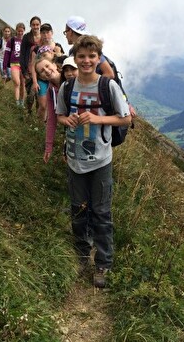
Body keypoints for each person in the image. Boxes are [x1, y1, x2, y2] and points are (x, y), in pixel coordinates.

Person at [56, 35, 131, 288]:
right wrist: (66, 121)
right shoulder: (67, 88)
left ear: (98, 58)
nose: (86, 61)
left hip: (101, 160)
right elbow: (60, 116)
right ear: (75, 59)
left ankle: (102, 263)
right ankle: (81, 254)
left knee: (101, 212)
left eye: (91, 56)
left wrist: (98, 119)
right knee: (78, 209)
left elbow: (125, 119)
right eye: (81, 57)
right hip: (75, 159)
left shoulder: (108, 87)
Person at [30, 23, 56, 121]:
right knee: (43, 105)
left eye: (48, 32)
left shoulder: (57, 47)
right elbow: (33, 66)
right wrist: (35, 82)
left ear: (52, 33)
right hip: (42, 80)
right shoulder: (37, 49)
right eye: (43, 33)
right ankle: (39, 124)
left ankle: (47, 125)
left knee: (53, 106)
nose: (45, 35)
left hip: (54, 80)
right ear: (40, 34)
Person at [21, 16, 42, 114]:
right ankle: (28, 111)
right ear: (30, 25)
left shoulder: (43, 37)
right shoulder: (26, 37)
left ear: (40, 25)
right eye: (33, 25)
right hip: (28, 69)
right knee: (30, 95)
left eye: (37, 24)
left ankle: (39, 116)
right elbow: (22, 54)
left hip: (41, 71)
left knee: (40, 96)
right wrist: (24, 71)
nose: (35, 26)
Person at [3, 22, 26, 107]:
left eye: (22, 31)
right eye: (18, 31)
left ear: (24, 31)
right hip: (14, 64)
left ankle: (21, 103)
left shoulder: (25, 41)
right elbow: (7, 53)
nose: (20, 33)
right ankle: (17, 103)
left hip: (23, 65)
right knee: (17, 82)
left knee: (23, 85)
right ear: (16, 30)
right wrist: (4, 66)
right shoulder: (11, 40)